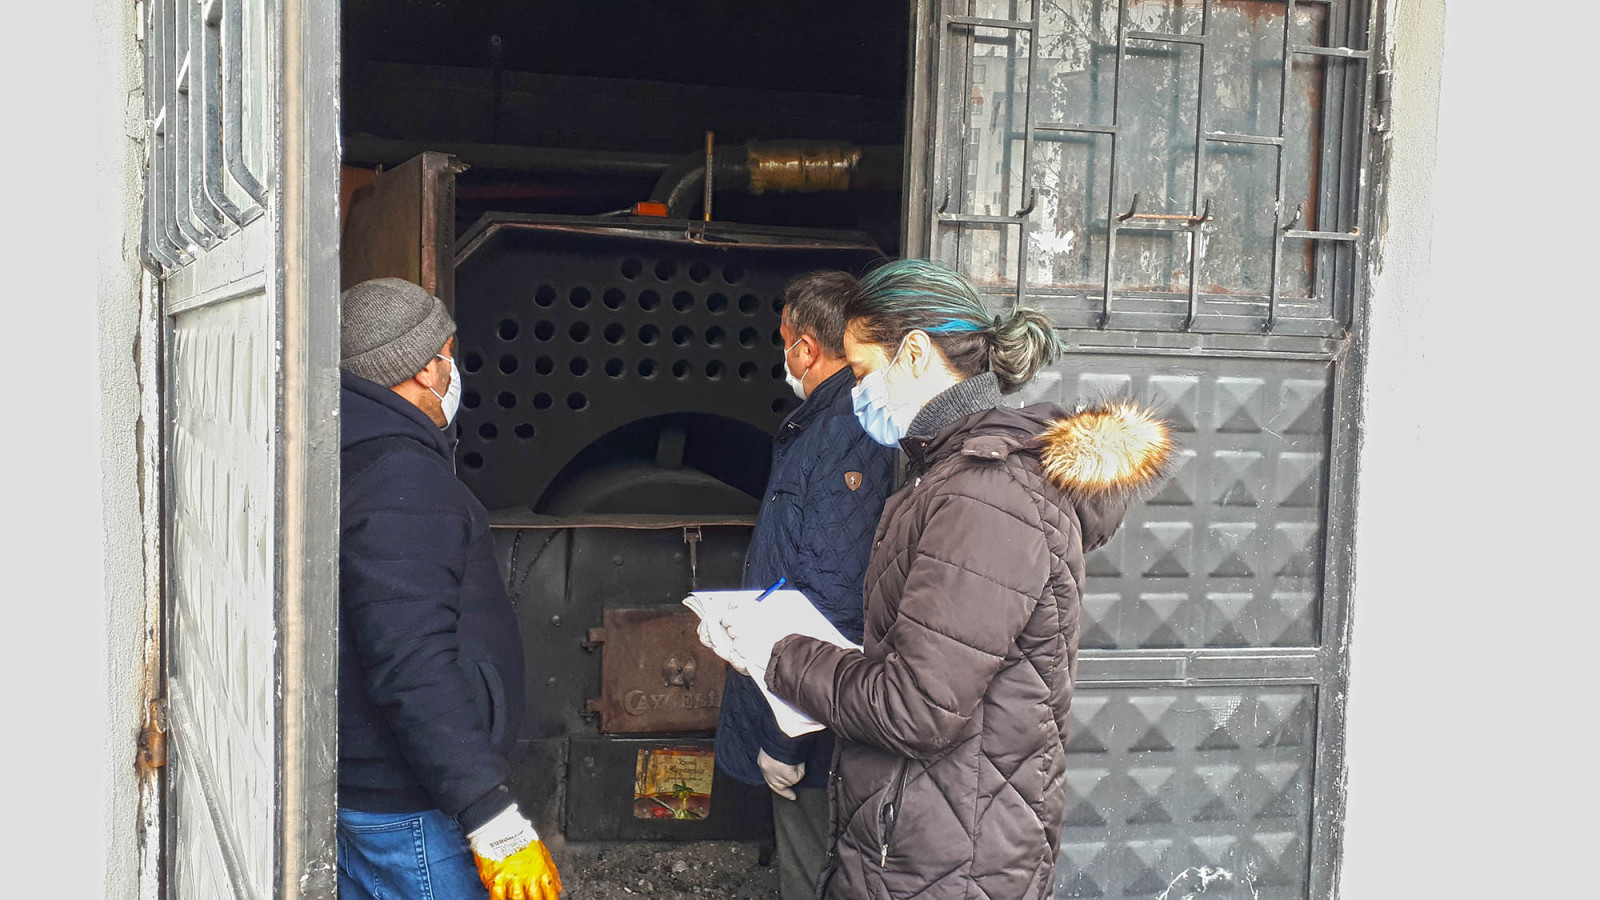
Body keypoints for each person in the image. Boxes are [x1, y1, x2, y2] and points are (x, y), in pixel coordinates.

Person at [724, 259, 1173, 899]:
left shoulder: (981, 495)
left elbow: (915, 708)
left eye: (861, 372)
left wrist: (775, 652)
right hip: (934, 839)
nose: (857, 395)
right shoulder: (950, 476)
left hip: (948, 862)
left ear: (913, 353)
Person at [338, 277, 561, 900]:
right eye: (447, 356)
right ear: (422, 369)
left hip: (370, 788)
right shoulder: (399, 477)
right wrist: (489, 814)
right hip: (407, 805)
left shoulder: (345, 452)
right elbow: (410, 659)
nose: (453, 371)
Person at [712, 271, 897, 900]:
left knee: (813, 869)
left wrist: (785, 736)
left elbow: (830, 595)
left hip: (813, 721)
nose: (784, 355)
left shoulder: (845, 431)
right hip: (808, 700)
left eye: (784, 340)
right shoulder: (827, 424)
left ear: (807, 348)